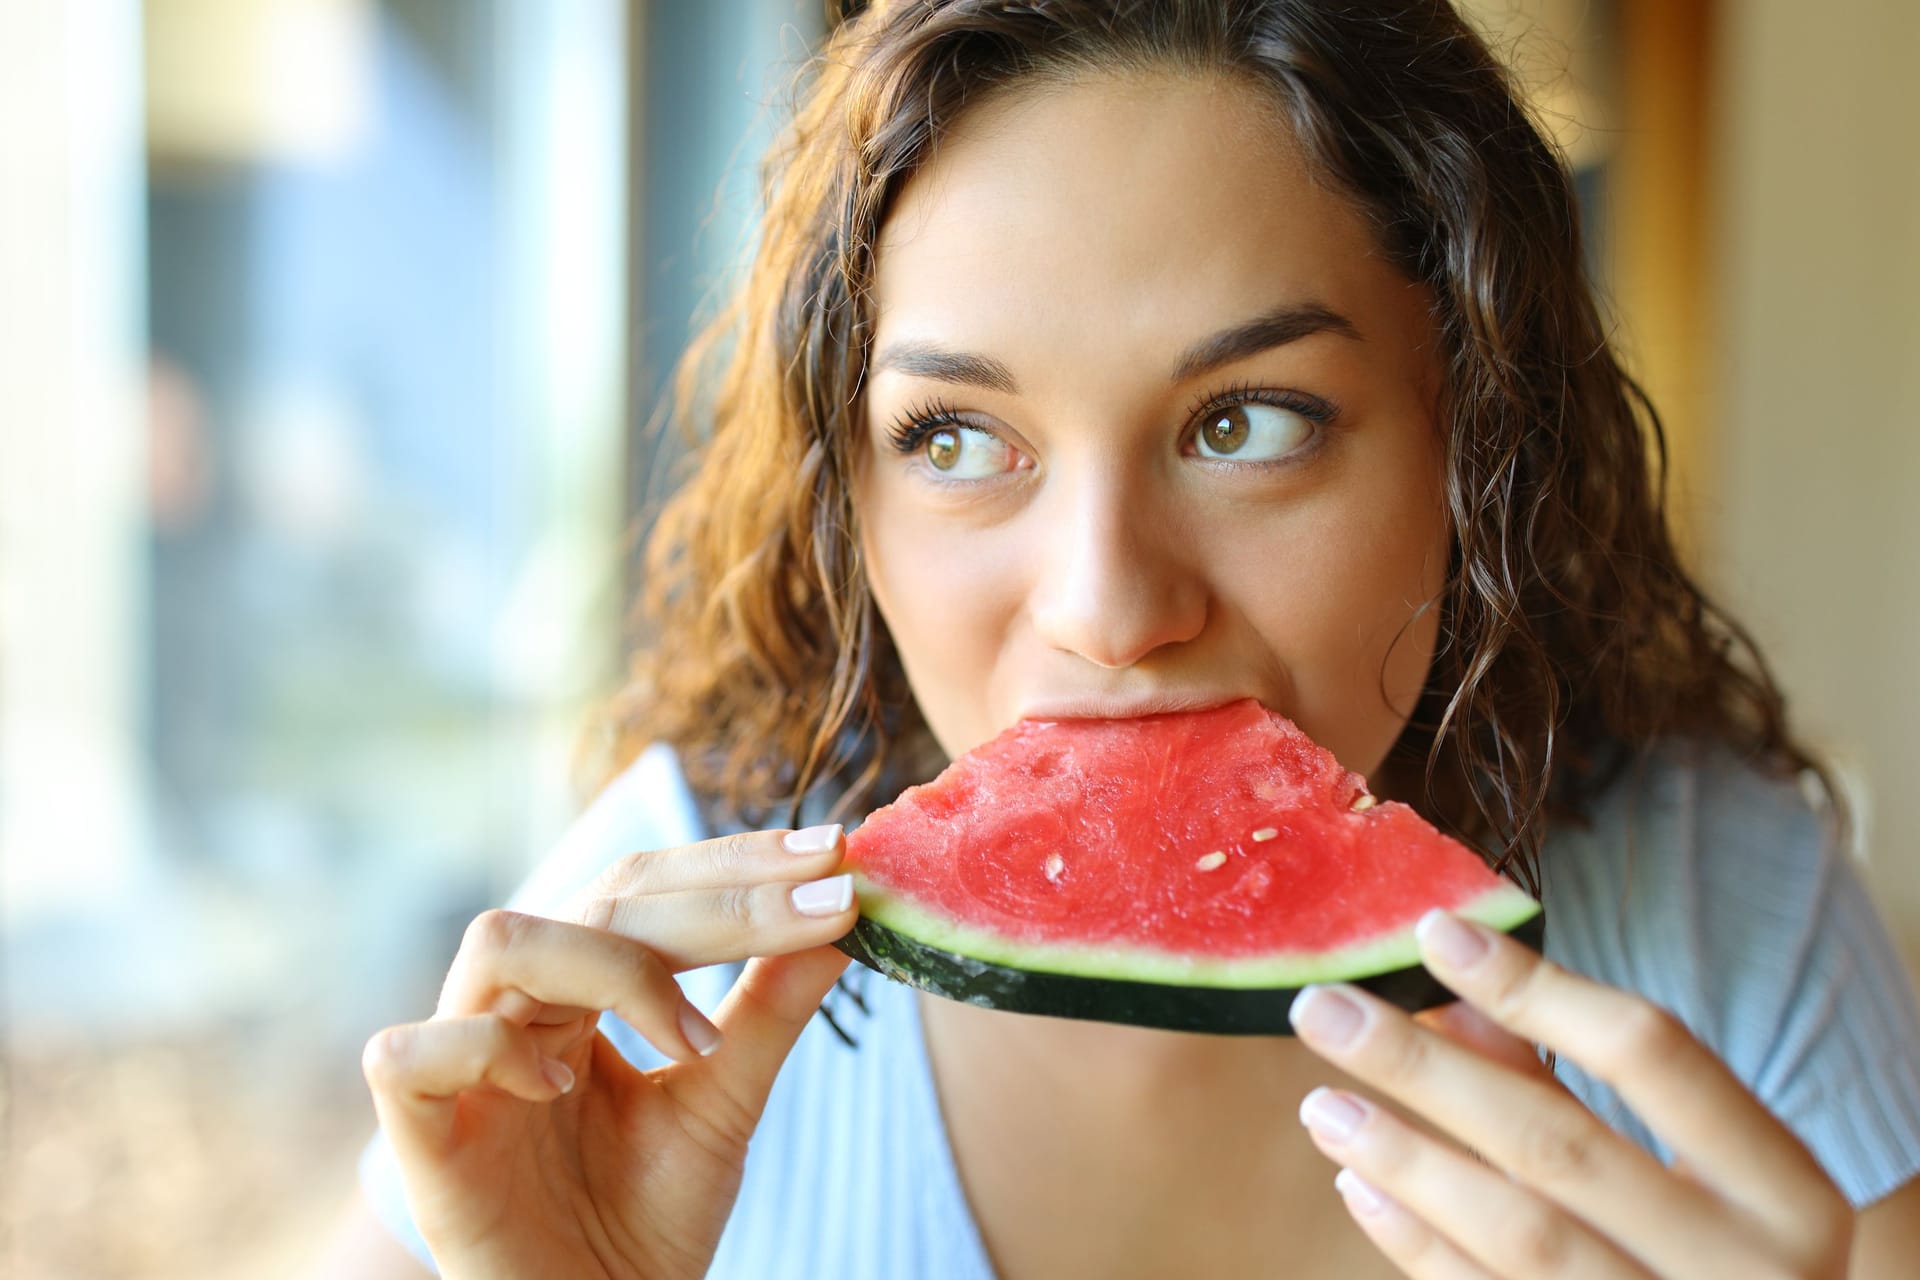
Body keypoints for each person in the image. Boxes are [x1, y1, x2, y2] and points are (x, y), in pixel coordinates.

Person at [317, 2, 1920, 1276]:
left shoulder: (1722, 921)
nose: (1106, 602)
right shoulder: (650, 962)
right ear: (845, 492)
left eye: (1249, 422)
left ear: (1471, 446)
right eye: (954, 437)